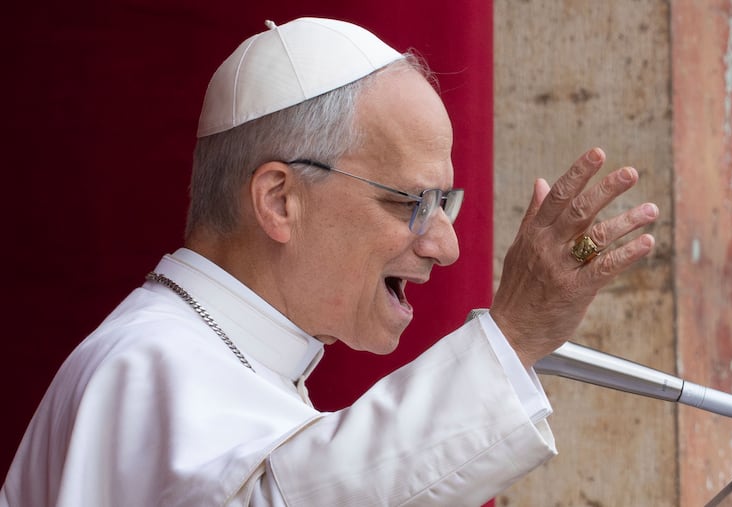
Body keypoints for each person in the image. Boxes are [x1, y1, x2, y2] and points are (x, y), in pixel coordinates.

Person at [0, 16, 659, 507]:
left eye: (445, 200)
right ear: (280, 200)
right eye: (413, 200)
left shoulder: (233, 359)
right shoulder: (147, 364)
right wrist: (512, 337)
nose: (446, 244)